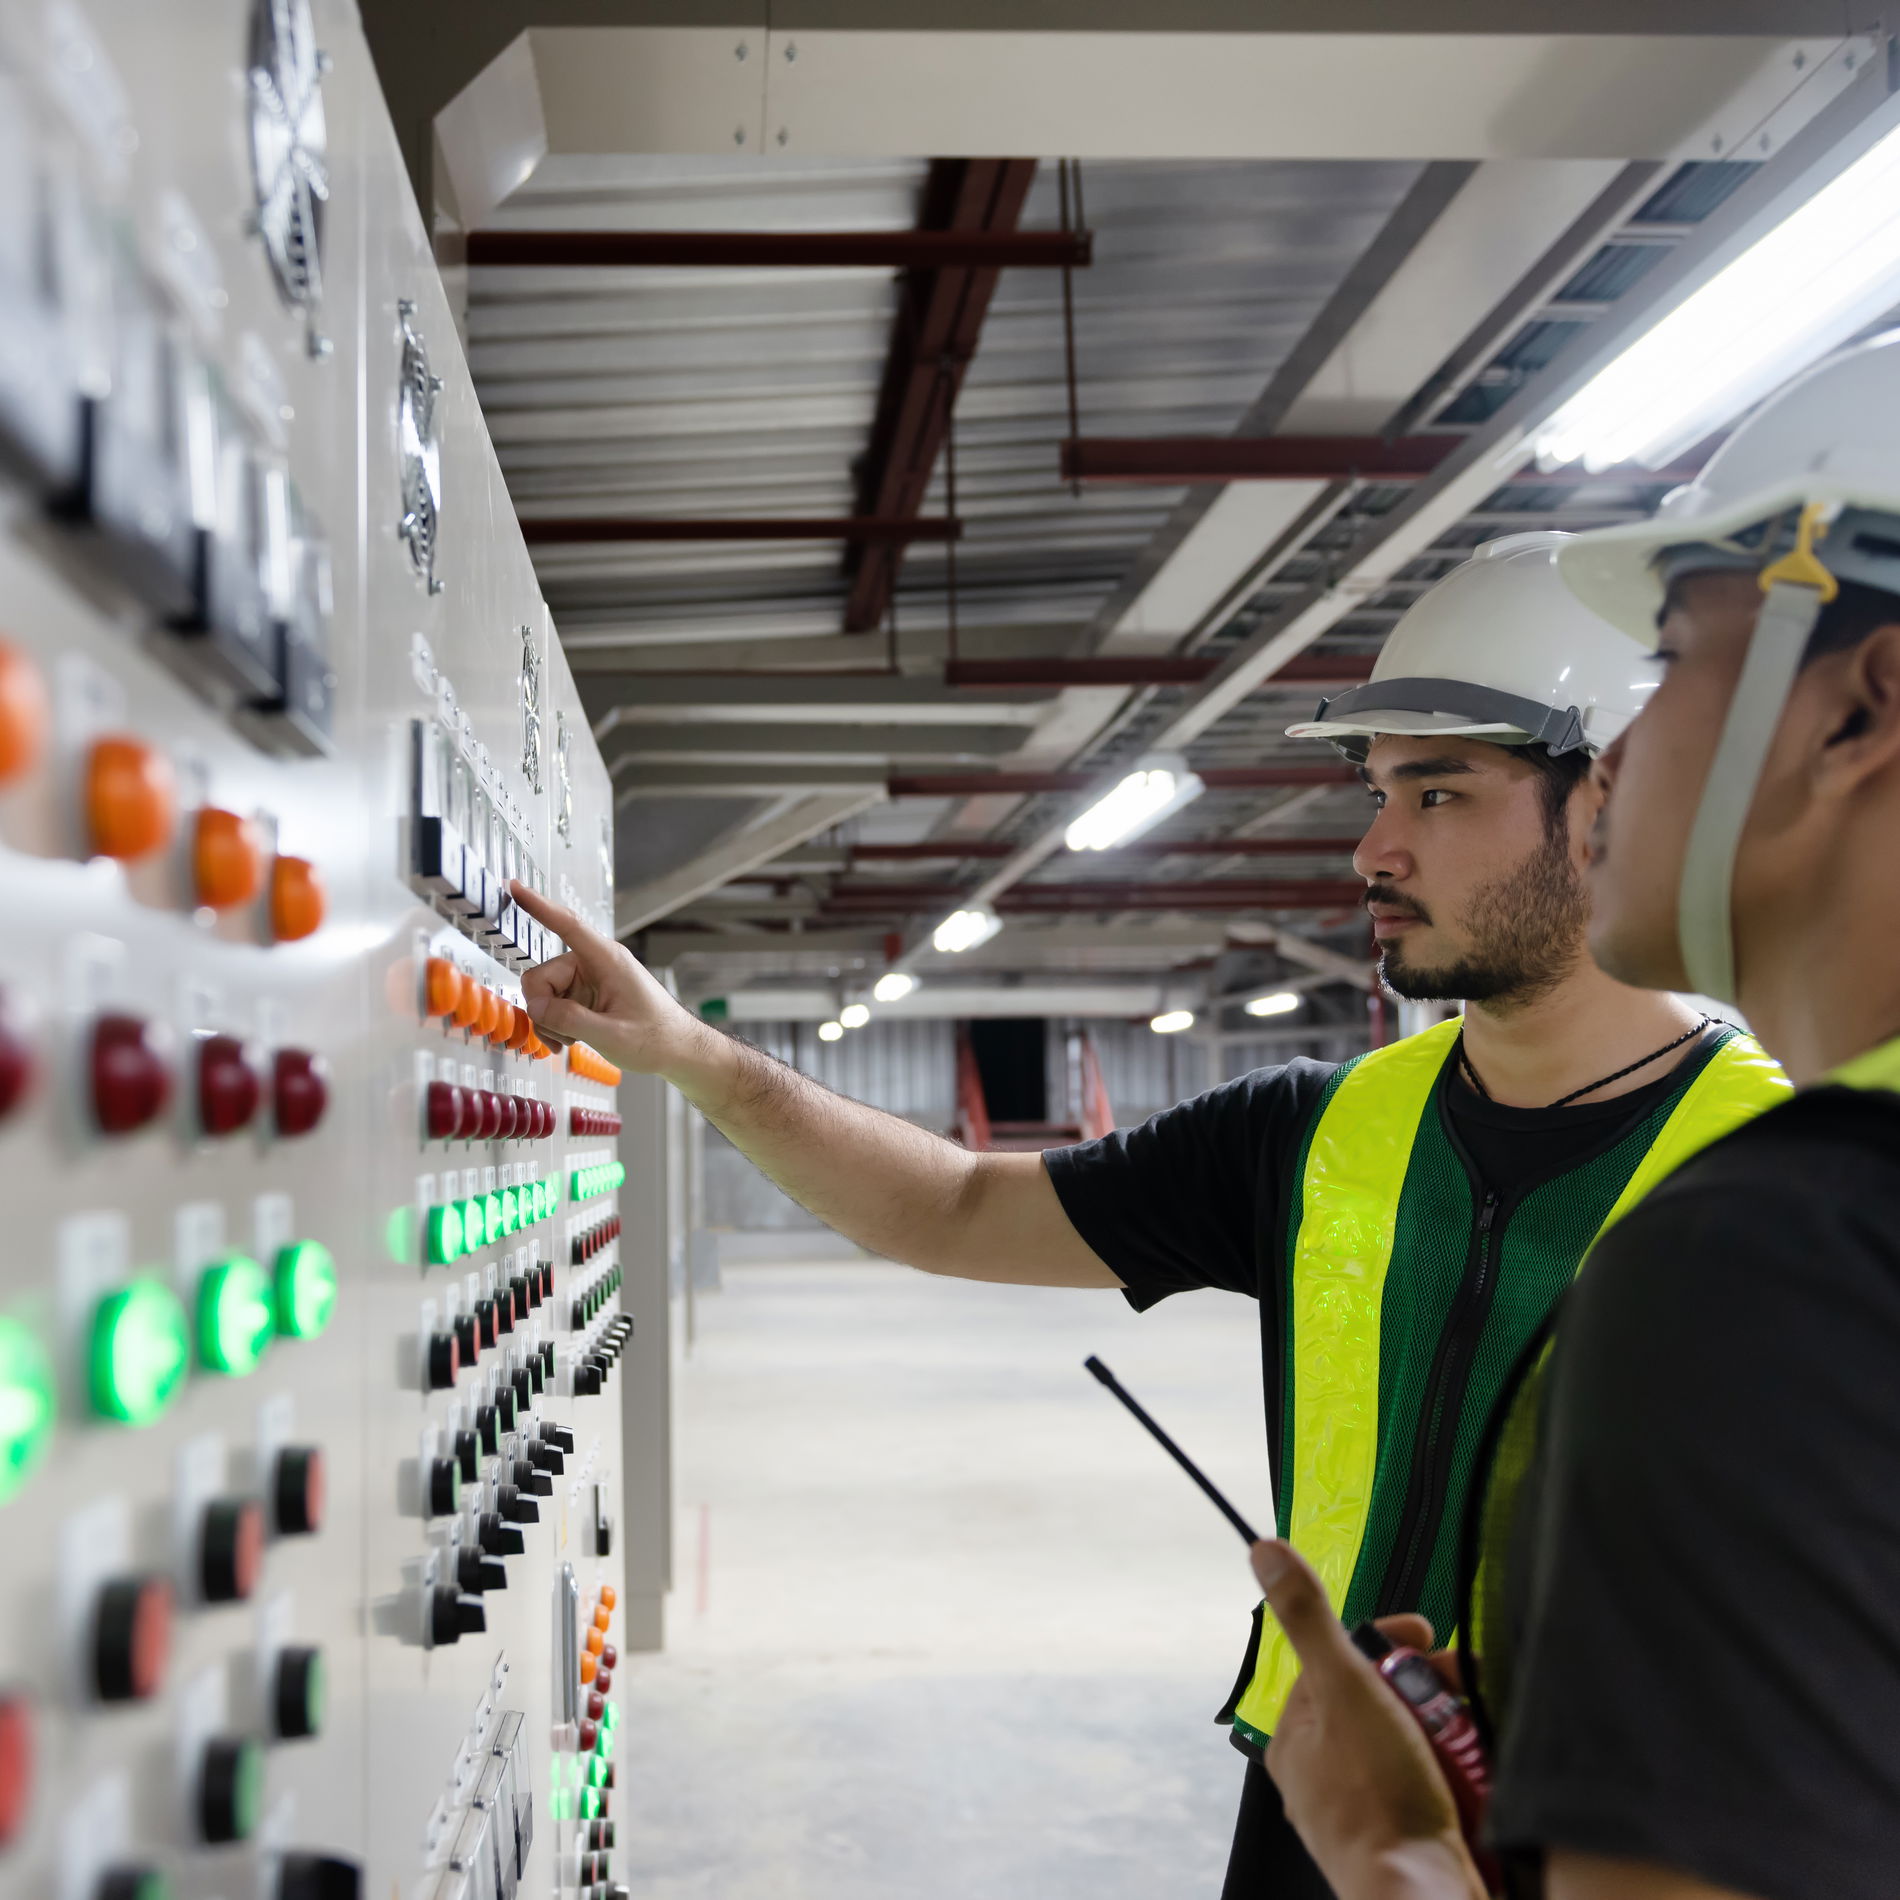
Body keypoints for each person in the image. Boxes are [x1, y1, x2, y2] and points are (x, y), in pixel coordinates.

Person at [506, 534, 1789, 1899]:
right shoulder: (1314, 1129)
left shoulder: (1788, 1173)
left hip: (1618, 1845)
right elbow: (952, 1206)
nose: (1375, 845)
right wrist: (694, 1057)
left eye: (1439, 790)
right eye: (1375, 789)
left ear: (1612, 796)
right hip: (1321, 1797)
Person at [1250, 330, 1900, 1900]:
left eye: (1674, 657)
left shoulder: (1779, 1266)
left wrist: (1396, 1853)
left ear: (1859, 711)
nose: (1629, 759)